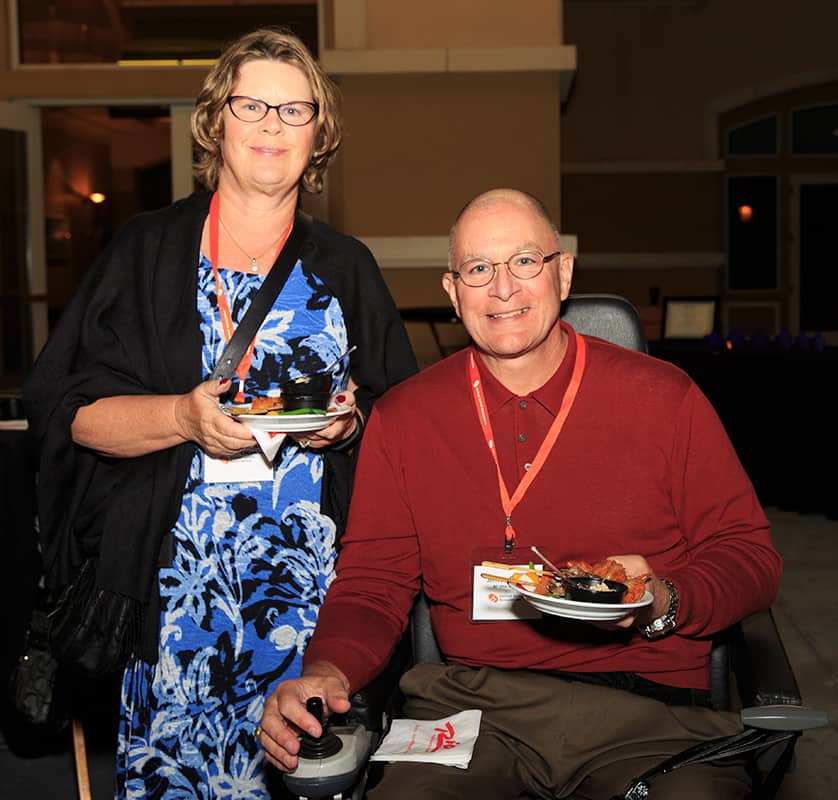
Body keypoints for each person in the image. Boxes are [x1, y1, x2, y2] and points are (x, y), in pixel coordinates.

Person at [258, 188, 783, 799]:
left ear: (563, 273)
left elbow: (750, 558)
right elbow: (374, 583)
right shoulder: (405, 418)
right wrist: (324, 671)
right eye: (479, 269)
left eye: (525, 262)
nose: (503, 290)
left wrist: (663, 598)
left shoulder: (665, 399)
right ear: (453, 293)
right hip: (474, 714)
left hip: (652, 714)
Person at [23, 26, 417, 799]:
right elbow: (65, 410)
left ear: (320, 134)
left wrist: (352, 423)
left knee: (308, 782)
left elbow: (400, 415)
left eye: (295, 110)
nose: (272, 124)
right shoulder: (145, 251)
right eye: (252, 104)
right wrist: (181, 417)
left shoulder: (346, 268)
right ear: (216, 121)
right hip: (171, 595)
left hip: (311, 599)